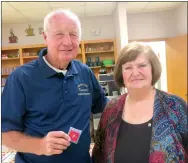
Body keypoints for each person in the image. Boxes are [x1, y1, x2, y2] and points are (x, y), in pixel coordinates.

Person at [2, 9, 108, 163]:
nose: (67, 42)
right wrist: (40, 146)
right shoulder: (21, 78)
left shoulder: (84, 72)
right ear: (45, 37)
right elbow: (5, 135)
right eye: (59, 34)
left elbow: (104, 107)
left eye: (73, 34)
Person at [92, 42, 188, 163]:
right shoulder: (111, 109)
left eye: (142, 65)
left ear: (153, 68)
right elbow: (99, 155)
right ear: (121, 73)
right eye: (128, 67)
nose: (135, 73)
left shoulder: (175, 105)